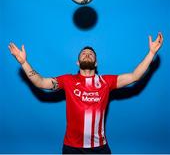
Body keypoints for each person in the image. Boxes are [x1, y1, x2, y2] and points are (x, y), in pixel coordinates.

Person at [8, 32, 163, 154]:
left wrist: (151, 53)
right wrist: (23, 62)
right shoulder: (67, 80)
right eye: (83, 53)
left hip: (99, 148)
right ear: (77, 62)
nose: (87, 54)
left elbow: (134, 76)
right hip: (71, 148)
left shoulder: (106, 81)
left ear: (96, 62)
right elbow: (40, 82)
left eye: (90, 53)